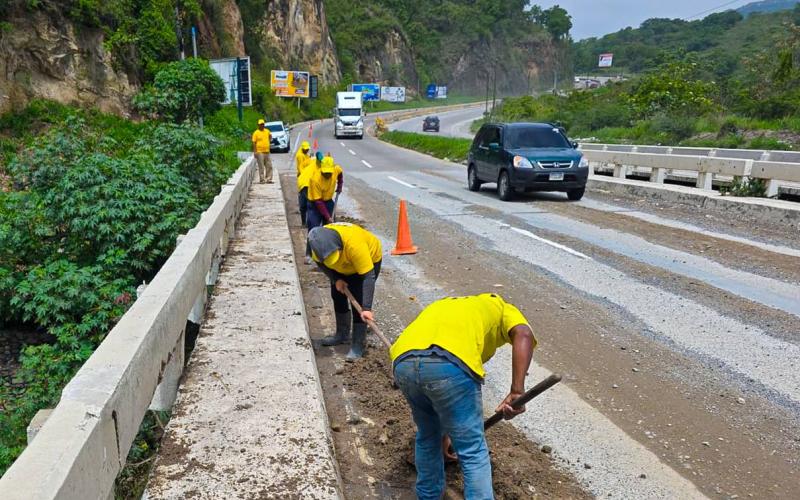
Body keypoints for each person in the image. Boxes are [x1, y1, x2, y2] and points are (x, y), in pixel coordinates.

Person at [389, 294, 537, 500]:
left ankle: (428, 496)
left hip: (404, 362)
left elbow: (434, 382)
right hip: (448, 363)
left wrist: (447, 433)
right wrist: (517, 391)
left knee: (427, 435)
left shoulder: (446, 305)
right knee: (472, 450)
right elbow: (524, 334)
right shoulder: (502, 307)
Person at [307, 223, 382, 361]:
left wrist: (366, 308)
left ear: (338, 247)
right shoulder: (317, 246)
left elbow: (368, 277)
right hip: (339, 269)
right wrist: (336, 279)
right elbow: (320, 263)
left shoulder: (355, 245)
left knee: (357, 300)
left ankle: (358, 345)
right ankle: (342, 334)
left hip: (368, 262)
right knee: (337, 295)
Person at [306, 156, 343, 230]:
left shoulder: (336, 169)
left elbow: (340, 173)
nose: (327, 175)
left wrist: (340, 185)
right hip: (315, 205)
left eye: (329, 173)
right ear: (321, 170)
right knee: (314, 228)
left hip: (328, 201)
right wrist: (328, 217)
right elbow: (318, 202)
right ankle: (312, 240)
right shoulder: (315, 180)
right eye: (325, 172)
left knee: (330, 228)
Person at [297, 151, 324, 228]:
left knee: (304, 205)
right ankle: (311, 223)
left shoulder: (310, 162)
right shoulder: (319, 164)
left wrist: (301, 172)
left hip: (302, 183)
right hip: (307, 184)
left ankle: (304, 223)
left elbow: (301, 166)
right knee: (311, 204)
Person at [251, 119, 273, 184]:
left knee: (269, 165)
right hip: (260, 152)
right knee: (261, 166)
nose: (262, 125)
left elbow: (270, 136)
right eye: (261, 124)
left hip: (267, 151)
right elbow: (254, 143)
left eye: (263, 124)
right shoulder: (256, 133)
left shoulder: (267, 131)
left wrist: (268, 141)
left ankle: (269, 179)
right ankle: (262, 180)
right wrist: (255, 152)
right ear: (258, 125)